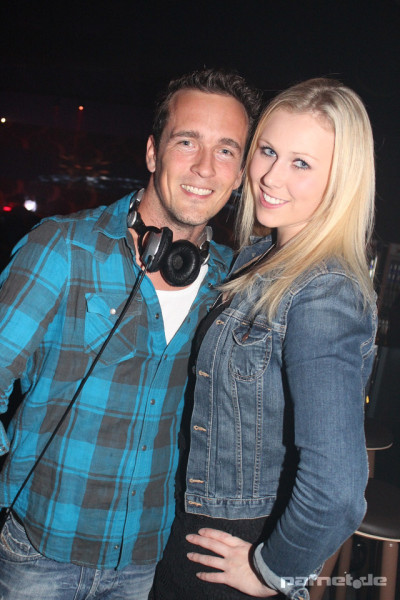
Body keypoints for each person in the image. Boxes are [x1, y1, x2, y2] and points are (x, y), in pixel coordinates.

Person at [0, 68, 262, 599]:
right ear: (152, 153)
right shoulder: (63, 248)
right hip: (39, 554)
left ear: (239, 175)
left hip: (148, 561)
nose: (204, 167)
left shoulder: (231, 284)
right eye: (186, 141)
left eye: (226, 151)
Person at [150, 78, 378, 600]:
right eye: (268, 151)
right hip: (198, 520)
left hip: (231, 540)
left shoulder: (325, 292)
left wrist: (273, 571)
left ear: (341, 181)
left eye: (302, 163)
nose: (271, 177)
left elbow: (338, 490)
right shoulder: (259, 257)